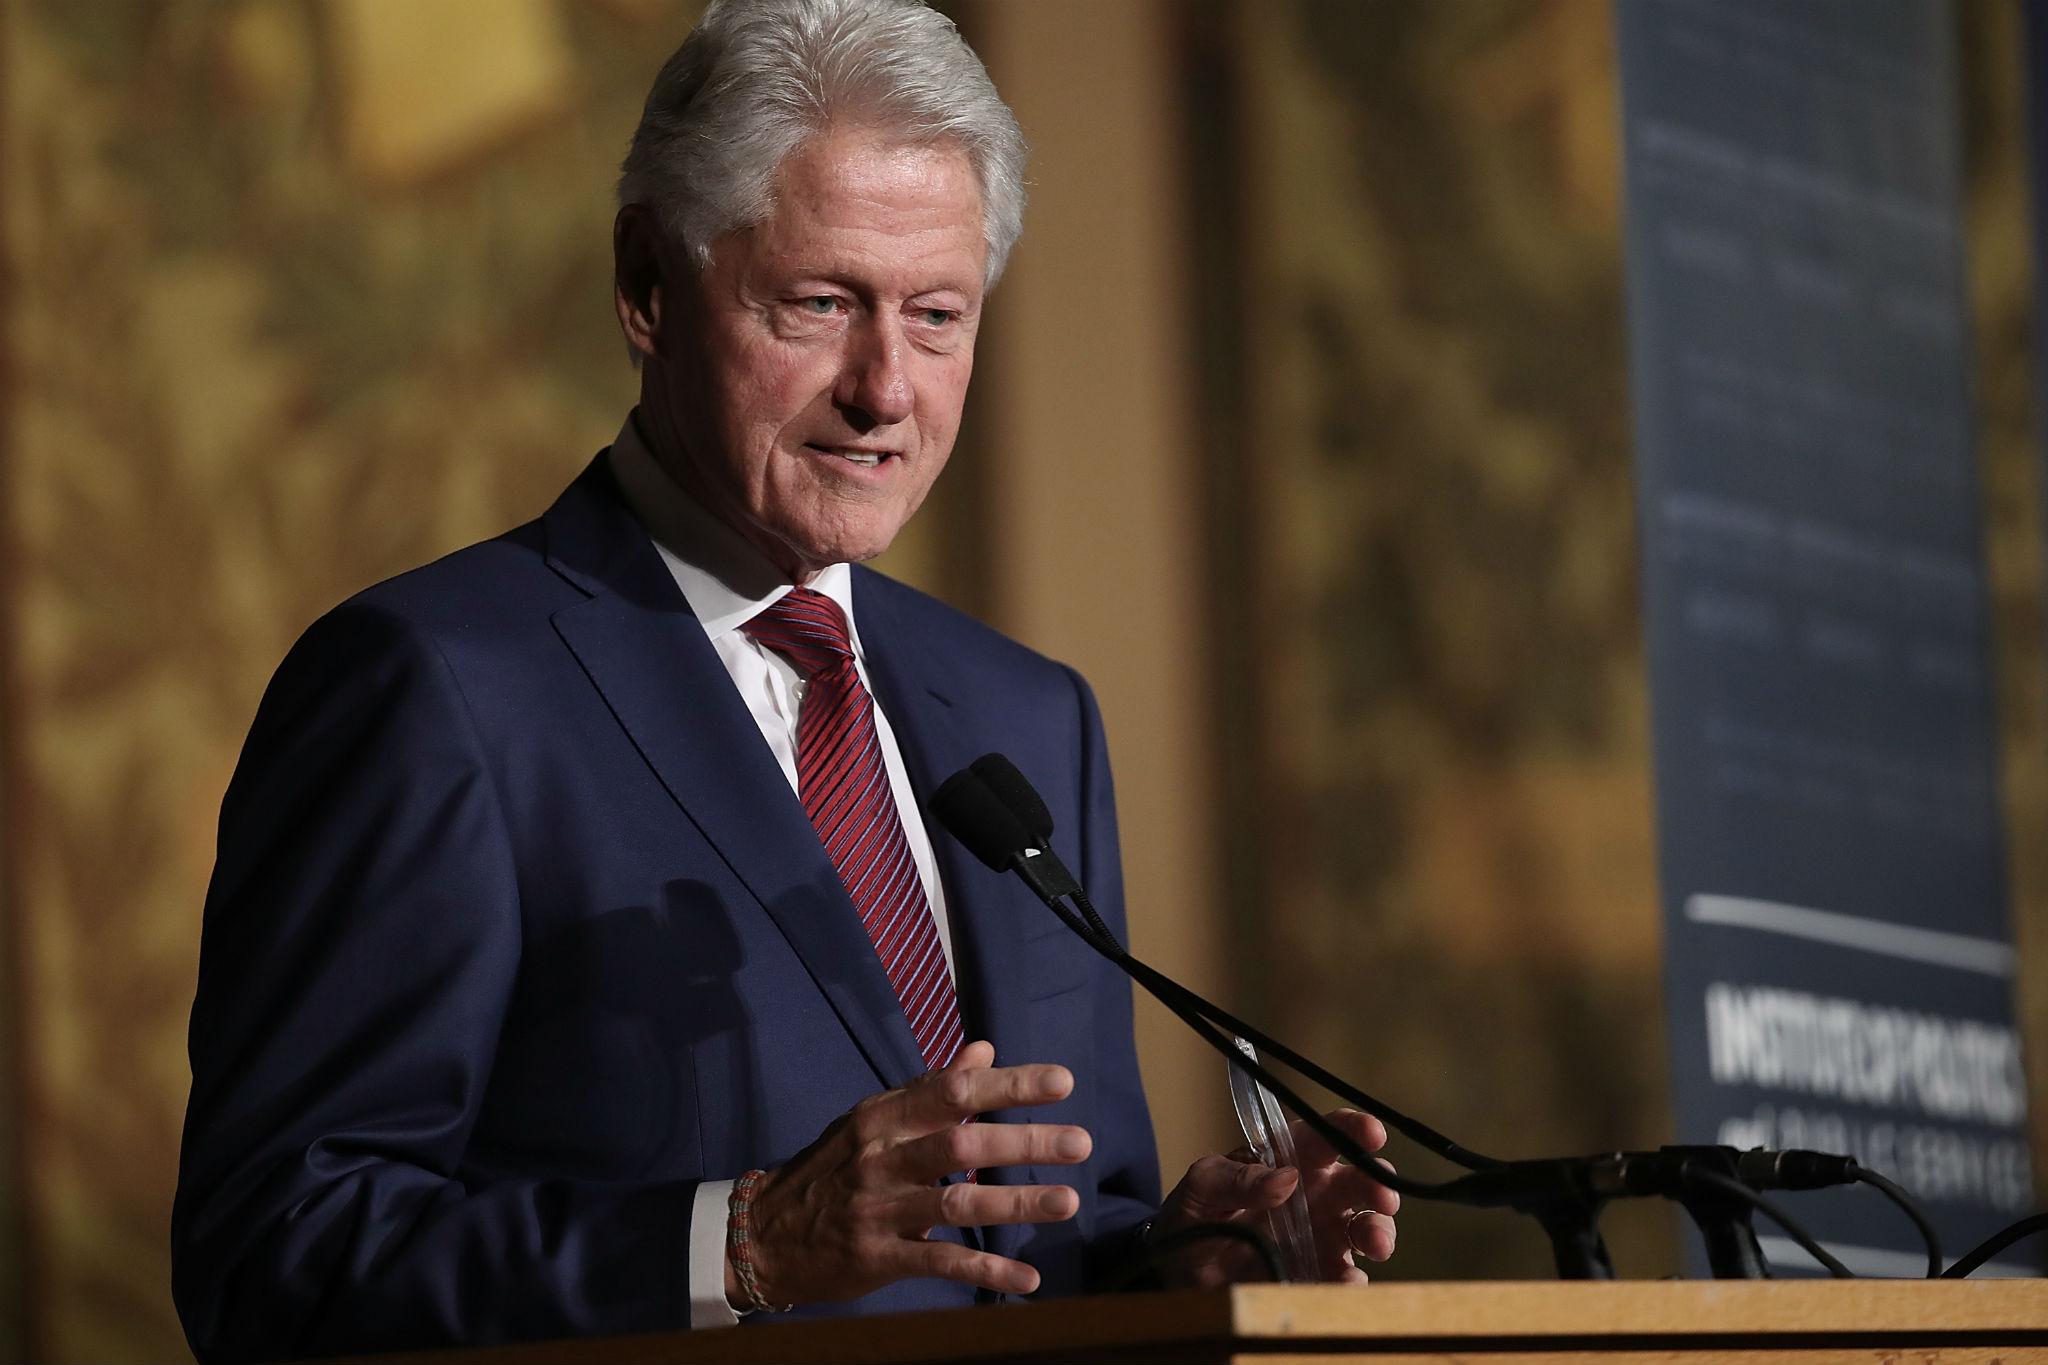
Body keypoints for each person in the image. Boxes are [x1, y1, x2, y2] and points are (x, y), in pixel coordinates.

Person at [171, 1, 1398, 1359]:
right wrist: (743, 1242)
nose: (886, 389)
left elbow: (1045, 1247)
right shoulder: (436, 688)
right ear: (647, 282)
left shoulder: (1028, 717)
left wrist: (1192, 1257)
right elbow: (277, 1256)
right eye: (820, 304)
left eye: (938, 316)